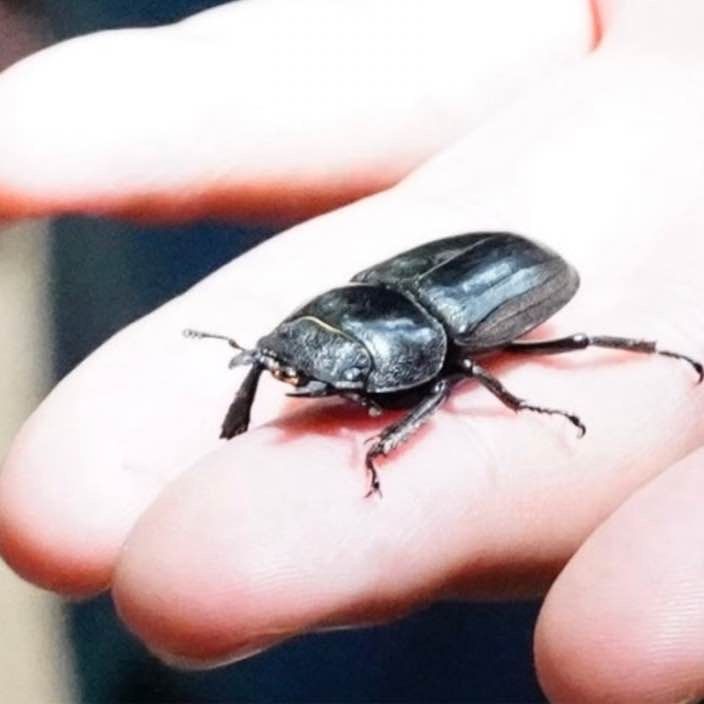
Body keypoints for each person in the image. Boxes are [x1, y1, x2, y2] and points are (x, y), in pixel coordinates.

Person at [1, 1, 703, 701]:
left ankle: (651, 351)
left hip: (512, 283)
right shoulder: (366, 301)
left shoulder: (448, 352)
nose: (311, 380)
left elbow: (441, 384)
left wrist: (462, 420)